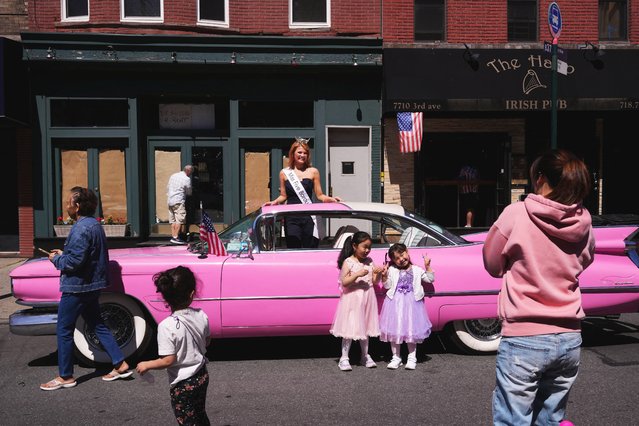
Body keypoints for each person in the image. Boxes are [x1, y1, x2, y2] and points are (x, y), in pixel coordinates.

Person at [482, 149, 595, 425]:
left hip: (524, 335)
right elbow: (586, 259)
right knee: (550, 418)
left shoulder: (516, 213)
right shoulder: (584, 219)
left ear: (541, 177)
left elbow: (492, 264)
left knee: (513, 419)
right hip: (569, 336)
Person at [40, 187, 132, 391]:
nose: (66, 206)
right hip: (92, 285)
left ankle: (66, 376)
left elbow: (74, 262)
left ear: (78, 205)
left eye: (68, 202)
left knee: (64, 329)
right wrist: (65, 253)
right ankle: (120, 363)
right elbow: (85, 254)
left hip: (77, 286)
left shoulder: (81, 228)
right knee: (97, 324)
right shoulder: (94, 225)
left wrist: (56, 259)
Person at [136, 266, 211, 425]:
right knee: (199, 413)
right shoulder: (201, 315)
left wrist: (146, 364)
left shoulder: (166, 326)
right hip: (201, 376)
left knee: (186, 420)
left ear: (165, 298)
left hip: (183, 383)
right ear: (192, 294)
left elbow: (168, 360)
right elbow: (207, 341)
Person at [264, 138, 341, 248]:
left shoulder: (313, 171)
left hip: (308, 216)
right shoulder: (284, 173)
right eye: (299, 152)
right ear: (293, 154)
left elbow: (320, 195)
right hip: (291, 217)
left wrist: (331, 199)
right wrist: (274, 202)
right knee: (293, 247)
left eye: (305, 153)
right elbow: (283, 196)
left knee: (309, 248)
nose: (302, 155)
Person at [330, 231, 383, 371]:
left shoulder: (369, 261)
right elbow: (344, 282)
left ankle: (365, 355)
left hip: (367, 298)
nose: (367, 250)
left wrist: (378, 274)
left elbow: (374, 281)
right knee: (349, 328)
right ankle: (344, 357)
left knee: (365, 327)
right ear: (354, 246)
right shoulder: (348, 262)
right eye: (364, 247)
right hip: (353, 299)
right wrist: (357, 274)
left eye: (369, 247)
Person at [379, 243, 434, 370]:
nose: (401, 259)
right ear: (393, 260)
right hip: (395, 303)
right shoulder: (392, 270)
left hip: (412, 303)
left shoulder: (417, 270)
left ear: (407, 252)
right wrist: (384, 275)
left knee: (411, 329)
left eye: (402, 255)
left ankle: (411, 357)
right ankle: (396, 357)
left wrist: (427, 266)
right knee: (395, 329)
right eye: (397, 258)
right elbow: (387, 286)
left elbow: (430, 279)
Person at [167, 165, 193, 244]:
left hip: (170, 200)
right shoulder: (186, 179)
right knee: (180, 219)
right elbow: (189, 192)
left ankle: (173, 236)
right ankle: (176, 237)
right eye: (191, 173)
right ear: (188, 172)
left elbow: (168, 187)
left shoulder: (173, 175)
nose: (190, 175)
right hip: (178, 200)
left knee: (173, 219)